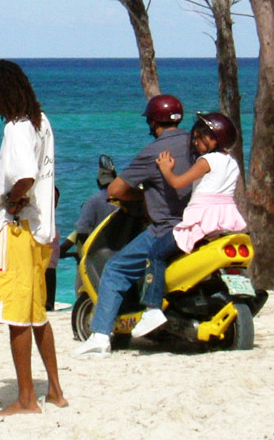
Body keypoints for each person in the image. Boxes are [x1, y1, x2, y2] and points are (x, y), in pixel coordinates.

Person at [0, 59, 67, 416]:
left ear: (4, 93)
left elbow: (24, 176)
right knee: (36, 314)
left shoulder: (16, 129)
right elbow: (44, 180)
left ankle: (26, 400)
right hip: (38, 231)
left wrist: (9, 204)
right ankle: (54, 390)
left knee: (16, 318)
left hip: (16, 231)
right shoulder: (41, 123)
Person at [71, 94, 192, 358]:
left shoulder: (154, 153)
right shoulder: (194, 143)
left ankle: (101, 336)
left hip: (166, 228)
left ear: (153, 121)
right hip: (200, 224)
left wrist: (142, 194)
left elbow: (116, 189)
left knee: (115, 270)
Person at [131, 112, 247, 337]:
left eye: (199, 138)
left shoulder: (207, 161)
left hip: (201, 219)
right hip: (226, 218)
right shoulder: (232, 163)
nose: (195, 142)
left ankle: (152, 309)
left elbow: (178, 182)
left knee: (155, 253)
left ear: (214, 138)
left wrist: (166, 168)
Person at [59, 158, 118, 260]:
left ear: (98, 182)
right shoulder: (125, 199)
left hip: (96, 258)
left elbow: (82, 231)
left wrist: (87, 255)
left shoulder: (92, 201)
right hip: (119, 255)